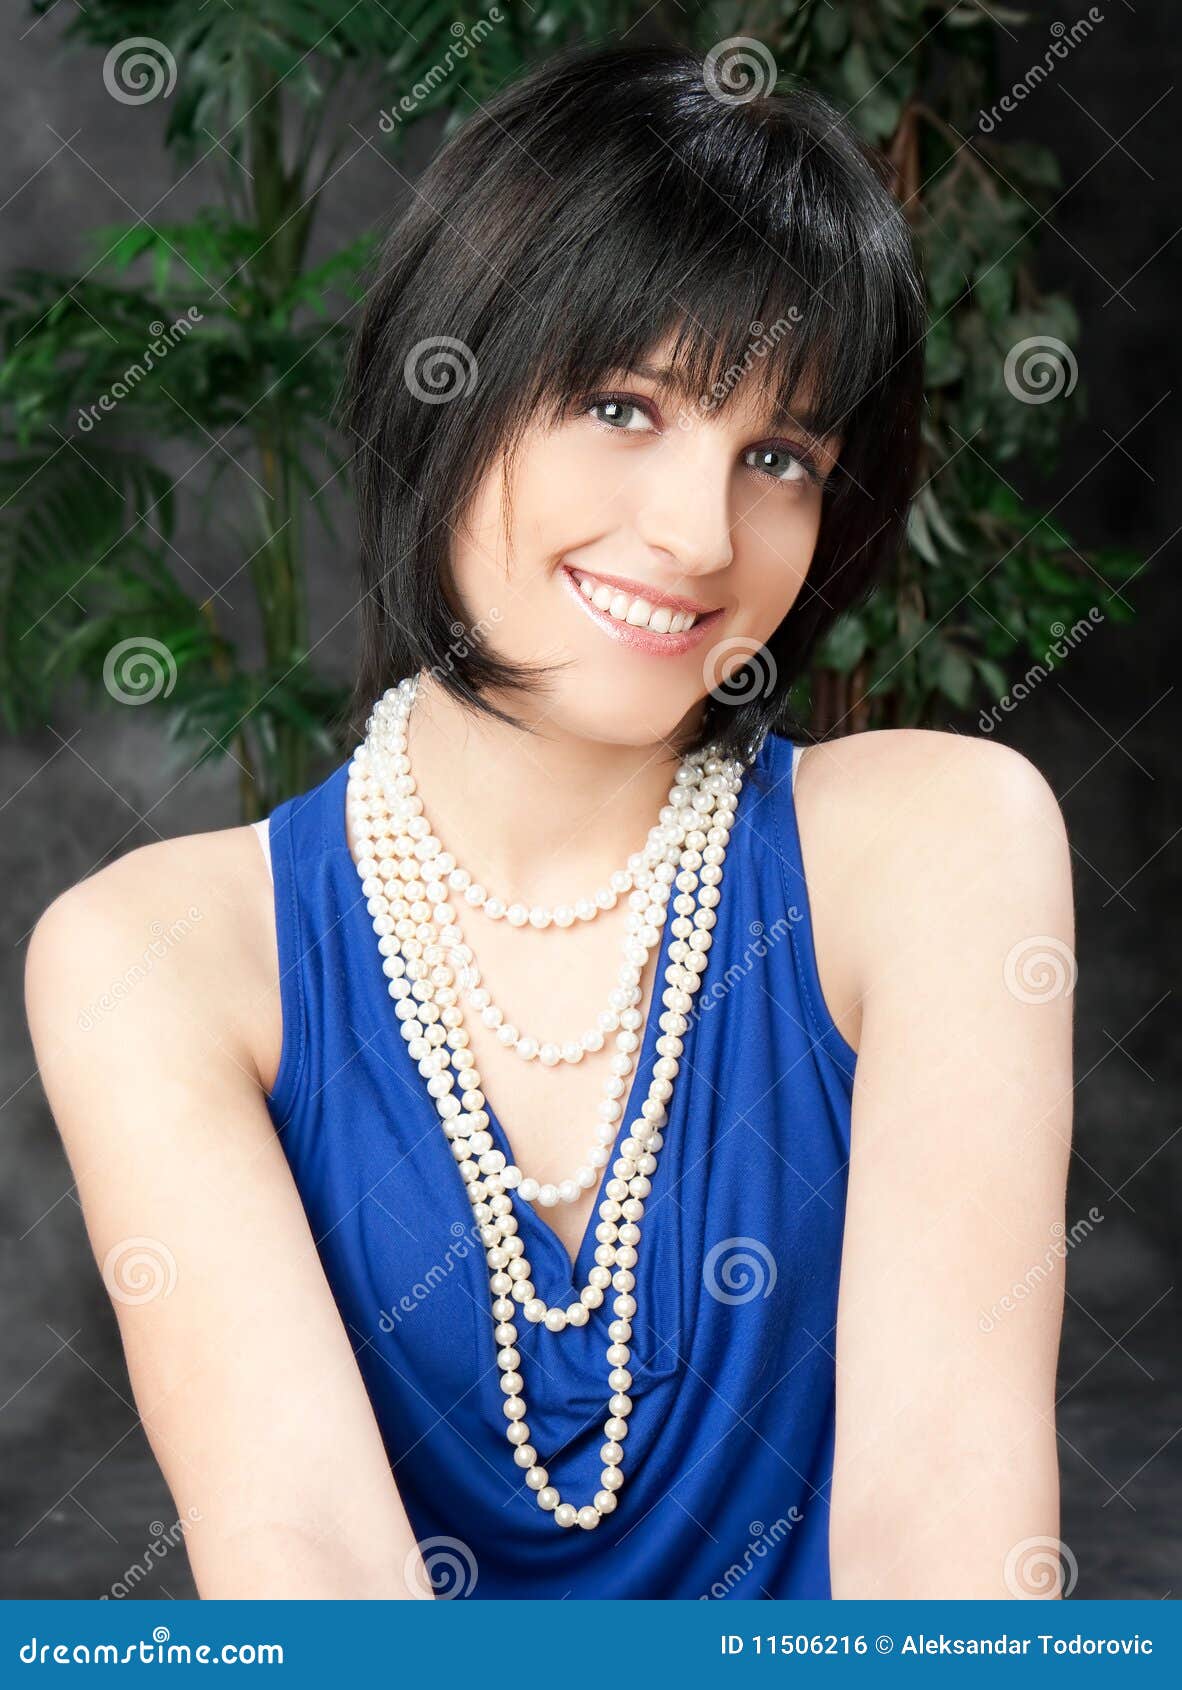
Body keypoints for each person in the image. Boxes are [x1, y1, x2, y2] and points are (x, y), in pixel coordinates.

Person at [25, 42, 1074, 1600]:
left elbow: (948, 1523)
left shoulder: (935, 845)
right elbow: (305, 1562)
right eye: (620, 403)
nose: (698, 533)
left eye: (776, 454)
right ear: (443, 373)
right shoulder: (153, 951)